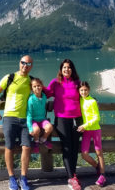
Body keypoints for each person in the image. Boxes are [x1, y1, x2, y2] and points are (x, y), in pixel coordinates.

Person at [0, 55, 33, 190]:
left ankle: (24, 178)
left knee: (26, 147)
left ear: (31, 66)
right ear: (19, 63)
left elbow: (42, 93)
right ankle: (11, 178)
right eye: (23, 62)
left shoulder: (31, 81)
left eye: (28, 63)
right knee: (9, 147)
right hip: (9, 117)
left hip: (25, 119)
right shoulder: (10, 78)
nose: (25, 65)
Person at [44, 59, 82, 190]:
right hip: (62, 119)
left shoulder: (77, 83)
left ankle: (74, 174)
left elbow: (84, 96)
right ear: (61, 69)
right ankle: (71, 178)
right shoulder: (55, 83)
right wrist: (34, 85)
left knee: (75, 147)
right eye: (65, 67)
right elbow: (46, 93)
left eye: (69, 67)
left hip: (77, 119)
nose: (67, 70)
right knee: (66, 147)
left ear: (72, 69)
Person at [77, 81, 106, 187]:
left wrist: (85, 125)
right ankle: (97, 167)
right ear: (79, 91)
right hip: (86, 131)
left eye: (85, 90)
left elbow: (97, 117)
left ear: (89, 90)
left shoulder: (92, 101)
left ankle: (102, 175)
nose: (83, 92)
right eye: (81, 90)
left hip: (95, 130)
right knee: (84, 154)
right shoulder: (79, 100)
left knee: (99, 152)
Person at [26, 78, 53, 153]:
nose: (37, 88)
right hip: (33, 120)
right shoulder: (31, 99)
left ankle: (43, 139)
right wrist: (30, 128)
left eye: (38, 85)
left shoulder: (44, 96)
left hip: (42, 119)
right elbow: (29, 115)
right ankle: (36, 142)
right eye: (34, 86)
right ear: (32, 88)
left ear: (42, 86)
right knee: (36, 130)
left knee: (50, 127)